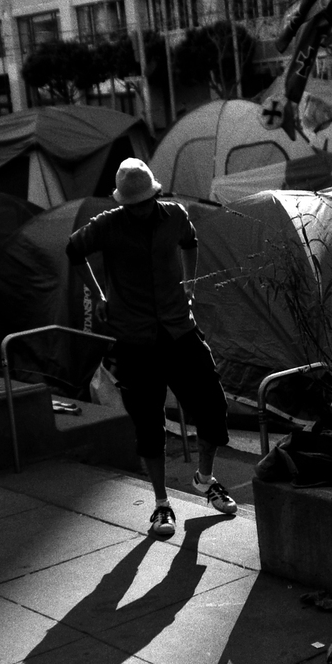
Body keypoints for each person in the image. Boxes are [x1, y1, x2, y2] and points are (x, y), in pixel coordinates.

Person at [65, 158, 237, 538]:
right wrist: (98, 294)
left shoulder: (174, 215)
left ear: (155, 195)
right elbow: (74, 249)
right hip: (135, 337)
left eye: (144, 202)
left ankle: (205, 479)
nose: (139, 210)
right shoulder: (108, 225)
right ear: (122, 203)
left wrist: (190, 283)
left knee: (212, 406)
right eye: (132, 205)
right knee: (148, 422)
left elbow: (191, 242)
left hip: (179, 329)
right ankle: (161, 504)